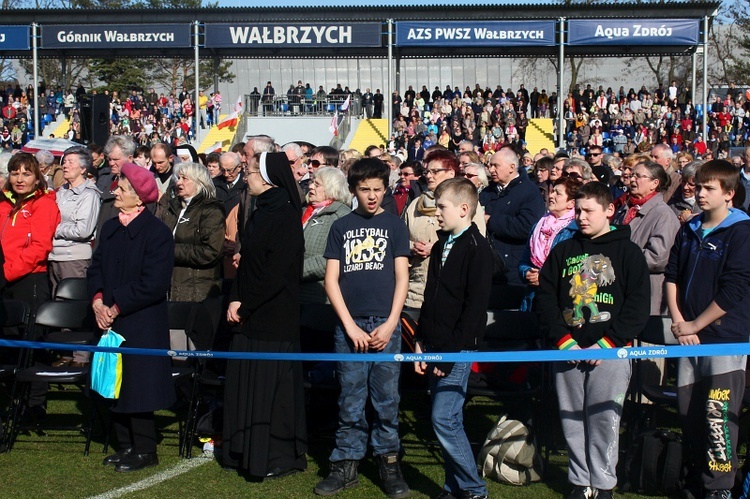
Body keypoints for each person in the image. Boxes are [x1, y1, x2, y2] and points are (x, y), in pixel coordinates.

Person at [537, 182, 650, 499]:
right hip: (567, 349)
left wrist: (609, 343)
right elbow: (545, 299)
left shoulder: (628, 252)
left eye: (588, 211)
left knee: (603, 420)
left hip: (610, 353)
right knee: (572, 419)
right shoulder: (564, 250)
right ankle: (579, 480)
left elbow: (637, 306)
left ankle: (602, 484)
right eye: (577, 211)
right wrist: (564, 341)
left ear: (609, 210)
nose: (581, 217)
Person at [315, 158, 410, 498]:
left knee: (387, 399)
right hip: (350, 326)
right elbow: (331, 280)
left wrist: (391, 322)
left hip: (385, 325)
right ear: (353, 190)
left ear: (386, 189)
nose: (372, 196)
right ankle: (345, 463)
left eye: (378, 190)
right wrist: (349, 326)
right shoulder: (341, 226)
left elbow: (402, 277)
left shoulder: (396, 225)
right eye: (365, 190)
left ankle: (388, 462)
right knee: (350, 398)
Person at [665, 160, 750, 499]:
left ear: (729, 194)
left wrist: (696, 325)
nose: (699, 193)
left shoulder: (742, 232)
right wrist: (679, 322)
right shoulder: (689, 228)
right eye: (698, 186)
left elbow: (735, 289)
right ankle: (696, 478)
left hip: (723, 339)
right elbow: (672, 275)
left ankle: (719, 487)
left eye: (708, 188)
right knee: (688, 411)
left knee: (719, 417)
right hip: (687, 337)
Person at [224, 152, 307, 480]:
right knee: (247, 384)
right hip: (249, 314)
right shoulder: (258, 212)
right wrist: (235, 298)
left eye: (252, 173)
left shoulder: (285, 216)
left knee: (274, 393)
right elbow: (245, 263)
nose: (247, 178)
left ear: (269, 178)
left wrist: (244, 305)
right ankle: (244, 449)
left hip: (273, 317)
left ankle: (277, 455)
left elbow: (274, 274)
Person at [87, 163, 175, 472]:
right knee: (114, 382)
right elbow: (95, 268)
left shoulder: (157, 233)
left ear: (139, 198)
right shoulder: (111, 227)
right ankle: (124, 444)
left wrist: (116, 307)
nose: (116, 192)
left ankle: (144, 448)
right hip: (107, 319)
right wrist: (98, 301)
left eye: (122, 189)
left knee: (138, 385)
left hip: (141, 321)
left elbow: (154, 283)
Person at [414, 178, 493, 499]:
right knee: (449, 419)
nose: (436, 215)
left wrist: (447, 354)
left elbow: (474, 311)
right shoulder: (442, 242)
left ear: (464, 209)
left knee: (443, 418)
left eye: (442, 208)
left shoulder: (478, 250)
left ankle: (474, 489)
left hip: (456, 349)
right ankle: (455, 487)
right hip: (434, 344)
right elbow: (430, 299)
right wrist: (421, 339)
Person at [403, 149, 485, 311]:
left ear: (451, 173)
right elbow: (400, 238)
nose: (429, 176)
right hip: (415, 293)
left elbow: (475, 245)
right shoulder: (414, 205)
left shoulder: (468, 204)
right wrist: (412, 247)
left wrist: (434, 248)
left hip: (451, 292)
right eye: (427, 171)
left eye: (435, 171)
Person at [156, 161, 225, 348]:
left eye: (185, 178)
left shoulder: (210, 210)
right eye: (178, 177)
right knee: (171, 343)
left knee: (190, 345)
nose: (179, 182)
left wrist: (170, 251)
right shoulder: (171, 208)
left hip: (196, 289)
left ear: (199, 182)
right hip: (169, 286)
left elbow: (211, 252)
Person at [48, 146, 102, 368]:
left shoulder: (90, 195)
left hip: (75, 258)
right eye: (64, 160)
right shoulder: (60, 192)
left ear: (83, 167)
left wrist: (54, 228)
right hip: (54, 256)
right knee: (59, 306)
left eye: (70, 161)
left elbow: (83, 230)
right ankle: (66, 352)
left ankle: (81, 355)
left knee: (77, 306)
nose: (65, 165)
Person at [0, 153, 60, 313]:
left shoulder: (43, 204)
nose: (20, 180)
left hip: (28, 278)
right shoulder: (4, 204)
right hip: (3, 278)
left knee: (26, 334)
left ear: (37, 178)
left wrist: (7, 273)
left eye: (26, 174)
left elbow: (40, 247)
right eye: (15, 174)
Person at [480, 148, 545, 286]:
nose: (491, 170)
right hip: (485, 268)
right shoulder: (488, 191)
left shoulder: (529, 192)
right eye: (490, 165)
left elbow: (527, 227)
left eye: (495, 165)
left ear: (512, 167)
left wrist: (490, 221)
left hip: (511, 272)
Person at [518, 177, 580, 311]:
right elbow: (524, 259)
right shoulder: (538, 226)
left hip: (558, 301)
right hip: (533, 297)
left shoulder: (575, 230)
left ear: (571, 202)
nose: (551, 195)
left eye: (558, 193)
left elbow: (573, 269)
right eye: (552, 191)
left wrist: (544, 277)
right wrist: (527, 273)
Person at [300, 166, 351, 304]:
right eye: (311, 182)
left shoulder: (341, 216)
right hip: (296, 291)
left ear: (331, 188)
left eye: (317, 184)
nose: (310, 187)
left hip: (320, 296)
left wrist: (294, 269)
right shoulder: (305, 211)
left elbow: (331, 259)